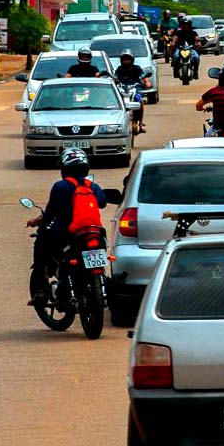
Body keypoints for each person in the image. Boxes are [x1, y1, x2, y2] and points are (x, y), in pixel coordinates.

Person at [26, 148, 108, 303]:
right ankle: (103, 283)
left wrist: (41, 225)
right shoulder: (93, 186)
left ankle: (41, 290)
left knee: (40, 244)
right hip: (95, 233)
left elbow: (51, 212)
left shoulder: (60, 187)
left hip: (68, 235)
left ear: (64, 168)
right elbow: (102, 203)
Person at [114, 49, 149, 133]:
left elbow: (144, 77)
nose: (126, 61)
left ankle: (140, 124)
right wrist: (114, 81)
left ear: (132, 60)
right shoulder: (119, 69)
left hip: (135, 88)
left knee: (139, 101)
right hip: (122, 89)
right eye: (125, 59)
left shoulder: (137, 68)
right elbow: (115, 77)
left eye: (128, 59)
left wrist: (147, 82)